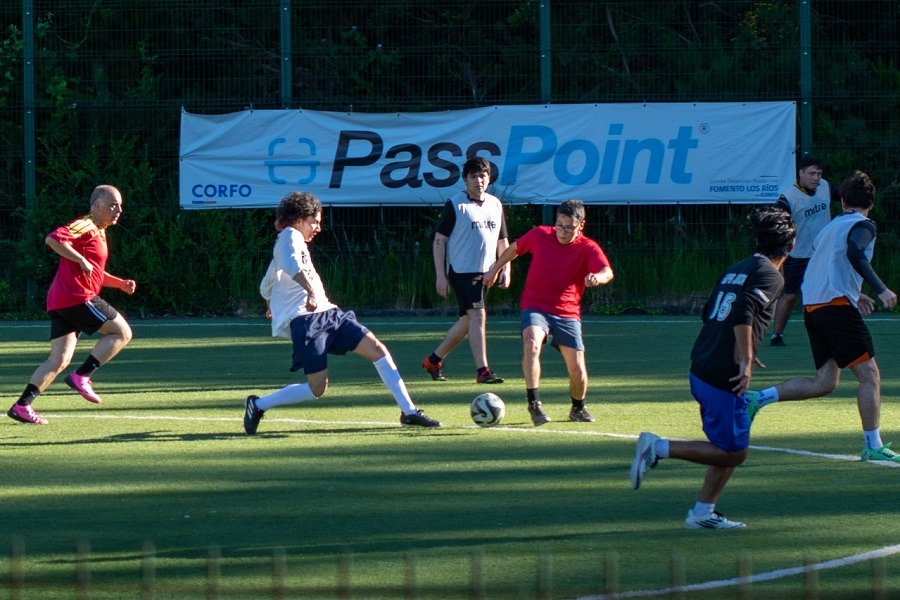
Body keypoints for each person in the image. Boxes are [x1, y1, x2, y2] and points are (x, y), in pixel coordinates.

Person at [631, 207, 797, 529]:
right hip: (724, 375)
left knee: (729, 443)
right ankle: (657, 447)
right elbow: (743, 310)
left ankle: (702, 513)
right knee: (735, 452)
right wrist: (744, 358)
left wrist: (742, 347)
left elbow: (709, 312)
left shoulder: (736, 268)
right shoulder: (772, 275)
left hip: (703, 364)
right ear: (791, 246)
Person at [244, 191, 441, 434]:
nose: (318, 228)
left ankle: (409, 411)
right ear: (298, 219)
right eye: (314, 222)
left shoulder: (291, 242)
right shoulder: (289, 236)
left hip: (329, 314)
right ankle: (258, 405)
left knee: (378, 350)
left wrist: (270, 304)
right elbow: (293, 267)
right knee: (317, 389)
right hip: (307, 321)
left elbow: (266, 283)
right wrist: (310, 293)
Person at [748, 171, 899, 461]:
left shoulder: (830, 228)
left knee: (825, 382)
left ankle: (757, 398)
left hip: (815, 308)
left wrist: (856, 293)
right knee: (870, 377)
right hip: (835, 308)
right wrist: (880, 289)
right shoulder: (864, 224)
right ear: (871, 203)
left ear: (842, 202)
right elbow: (854, 252)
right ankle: (873, 446)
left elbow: (828, 264)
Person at [7, 185, 136, 425]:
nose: (118, 210)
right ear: (97, 205)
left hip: (62, 300)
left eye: (120, 205)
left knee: (59, 359)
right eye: (112, 205)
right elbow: (52, 239)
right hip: (76, 296)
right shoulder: (86, 224)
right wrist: (81, 259)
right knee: (122, 332)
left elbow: (94, 271)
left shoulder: (99, 231)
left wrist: (120, 284)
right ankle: (82, 375)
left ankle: (22, 406)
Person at [483, 200, 613, 426]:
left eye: (569, 227)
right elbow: (514, 249)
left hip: (567, 311)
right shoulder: (540, 234)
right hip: (535, 305)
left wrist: (597, 278)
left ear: (581, 226)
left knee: (578, 369)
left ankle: (578, 408)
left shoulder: (588, 247)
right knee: (532, 342)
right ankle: (534, 404)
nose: (562, 232)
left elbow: (607, 271)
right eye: (559, 225)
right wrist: (495, 269)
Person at [422, 157, 511, 384]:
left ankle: (433, 360)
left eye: (482, 176)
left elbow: (503, 241)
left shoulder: (495, 204)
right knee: (478, 316)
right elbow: (439, 241)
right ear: (465, 179)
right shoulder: (455, 204)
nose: (479, 181)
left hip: (487, 273)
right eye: (473, 176)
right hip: (462, 271)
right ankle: (483, 371)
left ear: (489, 178)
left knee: (468, 321)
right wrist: (441, 276)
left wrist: (505, 268)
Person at [770, 155, 834, 346]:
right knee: (791, 295)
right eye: (812, 173)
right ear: (801, 173)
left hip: (822, 253)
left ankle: (828, 332)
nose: (816, 178)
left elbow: (848, 198)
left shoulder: (825, 187)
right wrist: (780, 257)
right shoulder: (788, 198)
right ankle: (776, 334)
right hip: (798, 255)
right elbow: (778, 230)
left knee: (828, 293)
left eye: (819, 173)